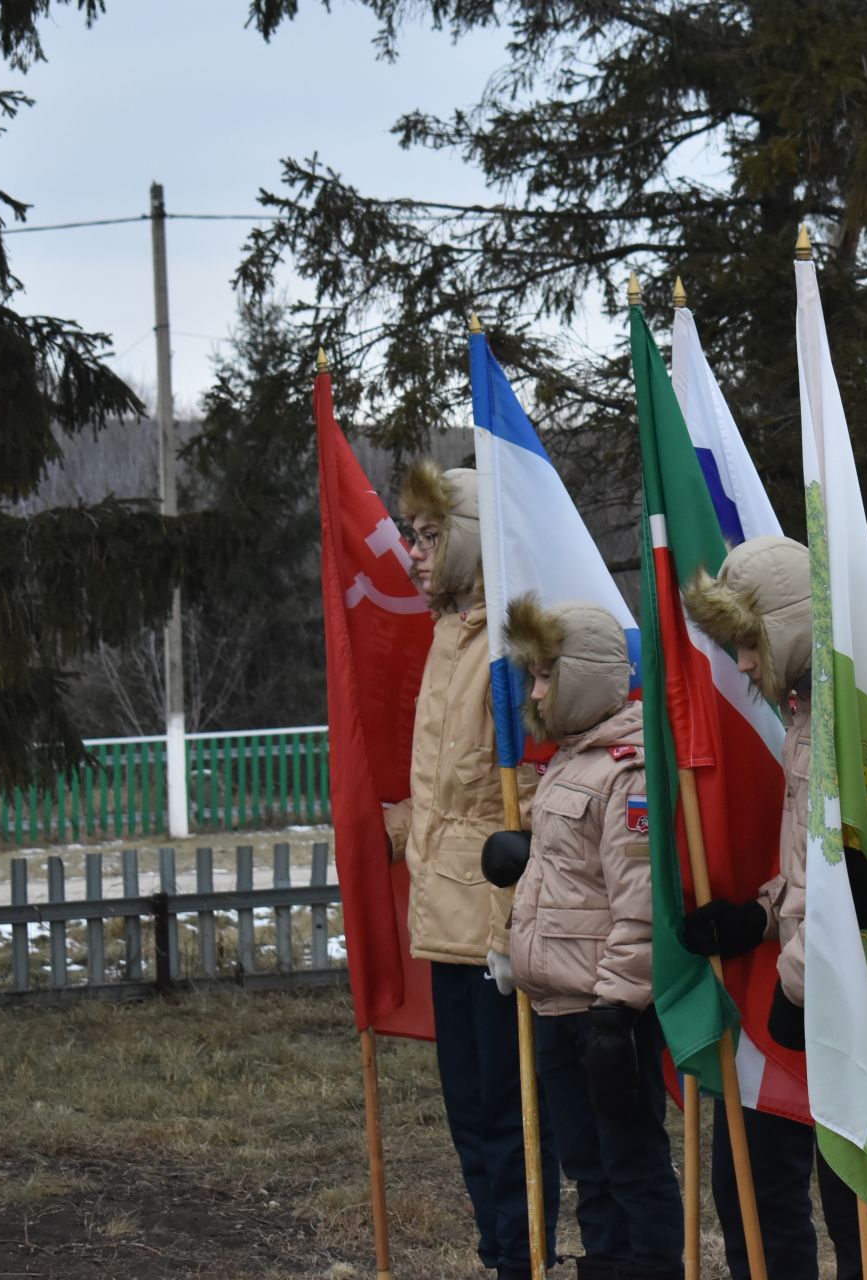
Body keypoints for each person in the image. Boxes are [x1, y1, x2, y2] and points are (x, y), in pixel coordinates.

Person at [680, 535, 867, 1280]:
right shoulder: (809, 706)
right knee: (849, 1209)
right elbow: (821, 864)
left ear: (790, 621)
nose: (741, 666)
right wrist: (764, 917)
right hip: (840, 985)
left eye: (747, 643)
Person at [478, 596, 682, 1280]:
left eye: (544, 675)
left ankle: (648, 1266)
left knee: (631, 1163)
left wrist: (617, 1013)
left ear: (586, 675)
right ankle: (605, 1265)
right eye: (529, 676)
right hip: (557, 1007)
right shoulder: (568, 762)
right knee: (587, 1168)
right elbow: (577, 871)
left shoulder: (628, 768)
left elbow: (638, 904)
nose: (534, 691)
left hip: (607, 1013)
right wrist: (526, 851)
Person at [386, 461, 553, 1280]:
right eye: (411, 535)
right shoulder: (448, 636)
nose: (413, 552)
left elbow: (516, 798)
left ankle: (524, 1258)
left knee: (510, 1112)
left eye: (428, 536)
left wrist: (505, 928)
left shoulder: (510, 644)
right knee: (468, 1113)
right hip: (444, 914)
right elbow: (445, 785)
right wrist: (400, 825)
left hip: (495, 918)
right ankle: (500, 1255)